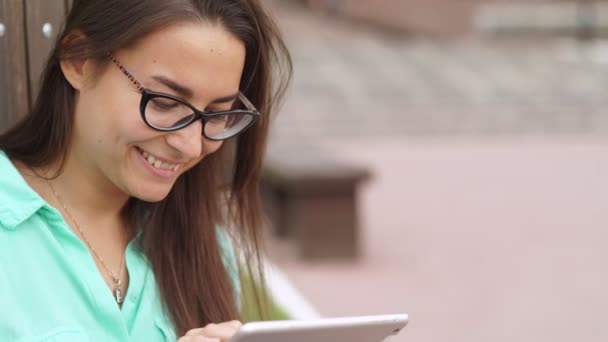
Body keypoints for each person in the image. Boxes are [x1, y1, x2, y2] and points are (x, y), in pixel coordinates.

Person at [0, 0, 291, 341]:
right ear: (79, 59)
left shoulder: (209, 250)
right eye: (165, 102)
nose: (191, 145)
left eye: (216, 114)